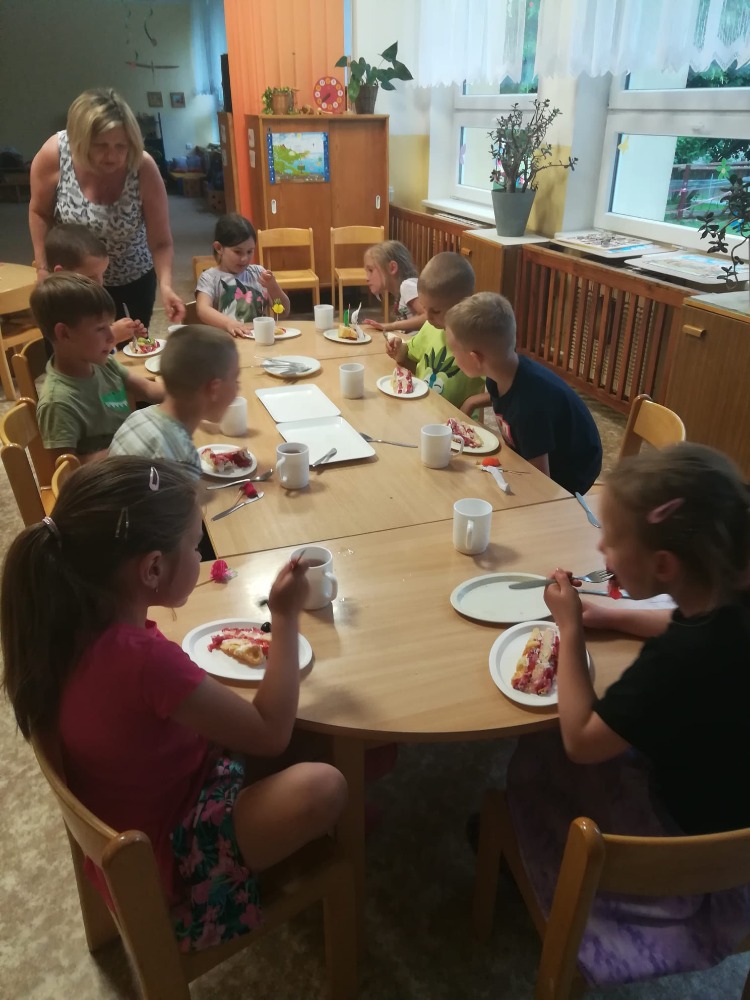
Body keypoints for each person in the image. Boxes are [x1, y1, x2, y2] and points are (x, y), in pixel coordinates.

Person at [0, 456, 347, 953]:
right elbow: (271, 732)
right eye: (194, 544)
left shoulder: (71, 624)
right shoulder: (143, 661)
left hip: (146, 810)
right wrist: (284, 616)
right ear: (153, 569)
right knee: (324, 785)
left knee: (315, 734)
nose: (200, 554)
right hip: (172, 859)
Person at [495, 443, 750, 980]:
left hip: (688, 840)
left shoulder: (675, 662)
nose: (600, 546)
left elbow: (582, 740)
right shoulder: (728, 599)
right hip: (737, 805)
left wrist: (568, 628)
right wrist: (612, 614)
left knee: (540, 747)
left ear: (663, 565)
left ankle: (521, 859)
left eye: (611, 540)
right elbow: (684, 622)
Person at [29, 88, 185, 328]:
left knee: (129, 345)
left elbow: (161, 241)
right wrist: (42, 267)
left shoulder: (142, 166)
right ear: (80, 141)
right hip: (73, 279)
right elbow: (39, 212)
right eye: (100, 145)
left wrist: (166, 285)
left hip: (131, 276)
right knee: (71, 342)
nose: (112, 156)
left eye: (121, 146)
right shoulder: (55, 154)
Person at [445, 292, 602, 494]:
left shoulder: (528, 406)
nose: (453, 357)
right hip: (537, 455)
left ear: (475, 358)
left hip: (568, 475)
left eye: (454, 351)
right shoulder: (502, 373)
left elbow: (541, 483)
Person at [31, 273, 163, 462]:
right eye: (101, 329)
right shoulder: (58, 402)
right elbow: (66, 468)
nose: (111, 337)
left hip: (130, 463)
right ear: (64, 333)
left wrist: (190, 395)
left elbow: (148, 389)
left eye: (110, 325)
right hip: (108, 475)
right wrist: (129, 447)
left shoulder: (104, 364)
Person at [109, 325, 239, 479]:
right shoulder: (183, 460)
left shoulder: (137, 417)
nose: (238, 388)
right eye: (236, 380)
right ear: (214, 389)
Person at [384, 252, 485, 413]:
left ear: (463, 304)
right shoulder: (430, 327)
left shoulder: (477, 341)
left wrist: (471, 402)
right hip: (423, 410)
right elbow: (411, 359)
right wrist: (399, 350)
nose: (428, 317)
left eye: (436, 311)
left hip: (457, 420)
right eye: (424, 308)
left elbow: (506, 386)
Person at [45, 222, 147, 345]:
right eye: (91, 277)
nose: (100, 283)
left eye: (102, 274)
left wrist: (129, 335)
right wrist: (112, 335)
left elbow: (104, 350)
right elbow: (77, 351)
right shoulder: (58, 310)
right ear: (62, 273)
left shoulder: (88, 298)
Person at [195, 213, 290, 339]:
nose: (245, 258)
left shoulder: (259, 273)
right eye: (237, 252)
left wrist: (273, 287)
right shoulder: (209, 278)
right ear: (219, 248)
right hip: (229, 342)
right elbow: (202, 309)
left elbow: (283, 311)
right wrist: (228, 323)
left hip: (262, 340)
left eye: (250, 251)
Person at [361, 240, 424, 335]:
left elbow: (428, 317)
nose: (367, 278)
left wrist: (391, 326)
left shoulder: (407, 286)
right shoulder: (401, 291)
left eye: (371, 270)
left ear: (392, 268)